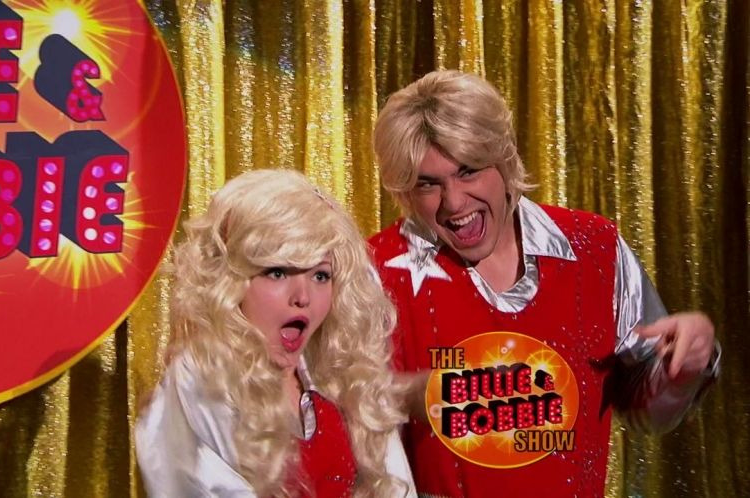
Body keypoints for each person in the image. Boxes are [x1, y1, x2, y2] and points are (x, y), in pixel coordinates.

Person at [368, 70, 719, 497]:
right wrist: (414, 393)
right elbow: (338, 416)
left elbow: (648, 410)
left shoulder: (594, 249)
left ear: (504, 160)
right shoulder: (376, 270)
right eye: (428, 183)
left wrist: (682, 372)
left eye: (469, 171)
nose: (454, 202)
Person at [136, 169, 417, 497]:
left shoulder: (340, 376)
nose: (303, 296)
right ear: (231, 281)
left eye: (320, 276)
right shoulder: (200, 381)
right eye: (278, 272)